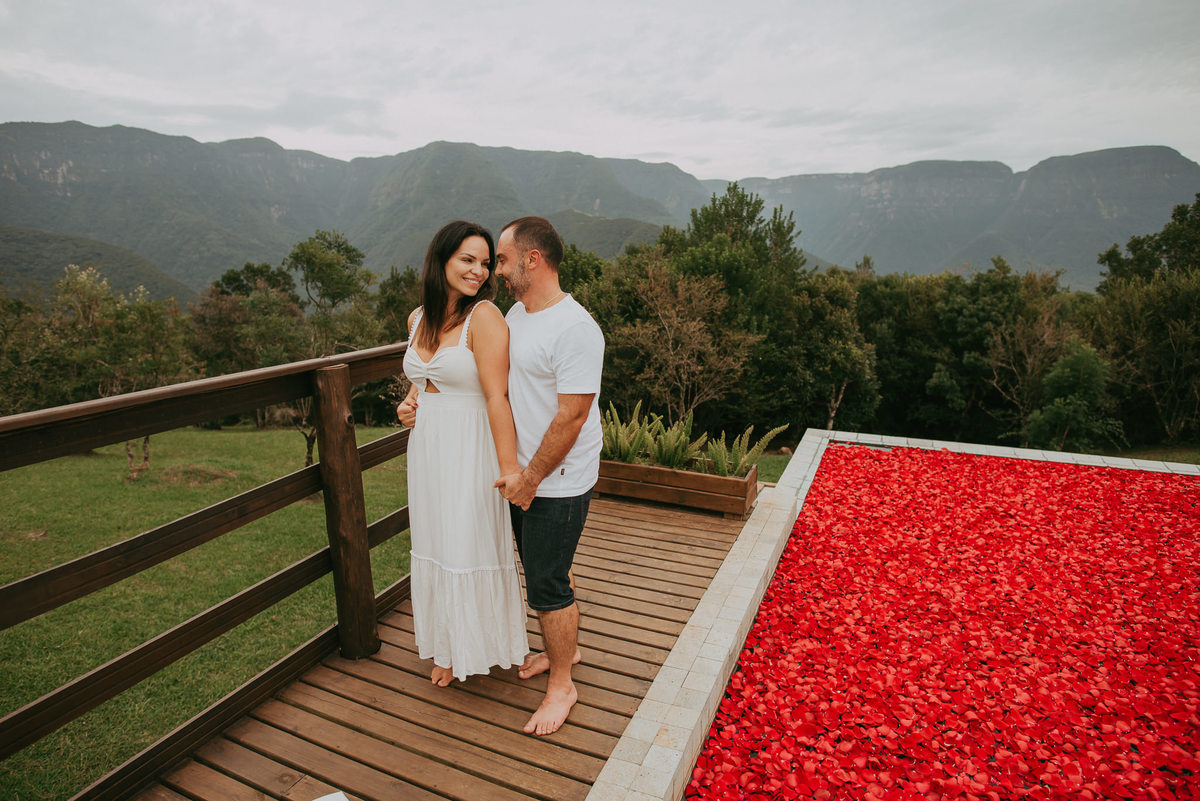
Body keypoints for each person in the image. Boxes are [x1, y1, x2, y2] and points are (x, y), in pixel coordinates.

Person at [396, 220, 529, 687]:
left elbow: (496, 396)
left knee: (466, 542)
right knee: (435, 540)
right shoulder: (417, 318)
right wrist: (408, 404)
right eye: (467, 260)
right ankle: (448, 644)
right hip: (427, 448)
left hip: (470, 448)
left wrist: (510, 469)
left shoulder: (485, 317)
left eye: (485, 263)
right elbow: (424, 380)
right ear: (442, 260)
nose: (479, 271)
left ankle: (475, 647)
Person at [493, 216, 605, 736]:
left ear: (532, 259)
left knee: (545, 584)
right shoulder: (516, 314)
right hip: (528, 474)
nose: (497, 270)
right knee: (552, 567)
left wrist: (529, 479)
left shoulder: (575, 328)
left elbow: (571, 417)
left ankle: (562, 684)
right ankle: (569, 649)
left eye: (502, 259)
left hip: (558, 480)